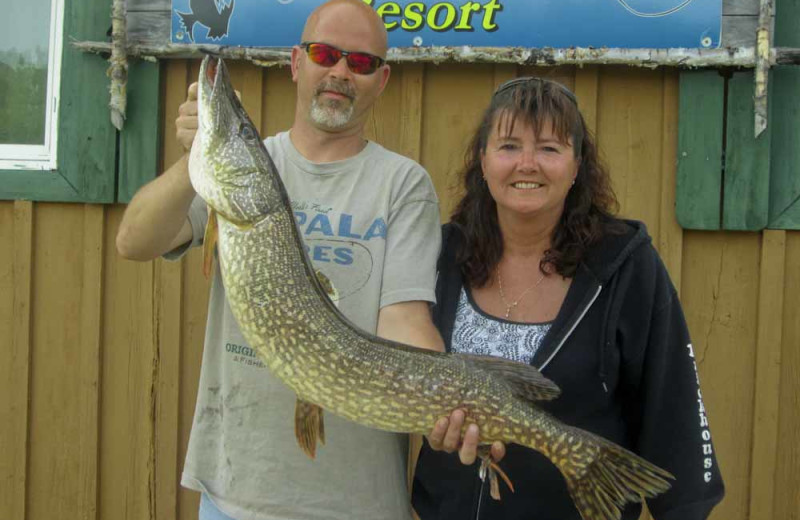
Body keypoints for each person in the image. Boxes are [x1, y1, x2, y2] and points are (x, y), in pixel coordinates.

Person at [116, 1, 495, 518]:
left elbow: (404, 318)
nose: (340, 72)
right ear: (297, 63)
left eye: (359, 63)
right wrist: (196, 158)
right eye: (324, 54)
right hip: (234, 494)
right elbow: (134, 241)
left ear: (380, 80)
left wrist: (444, 402)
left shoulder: (402, 184)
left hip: (355, 502)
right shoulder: (247, 173)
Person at [412, 77, 726, 519]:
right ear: (482, 161)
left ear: (577, 165)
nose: (527, 164)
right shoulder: (440, 256)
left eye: (549, 148)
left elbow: (671, 405)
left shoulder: (624, 267)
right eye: (507, 146)